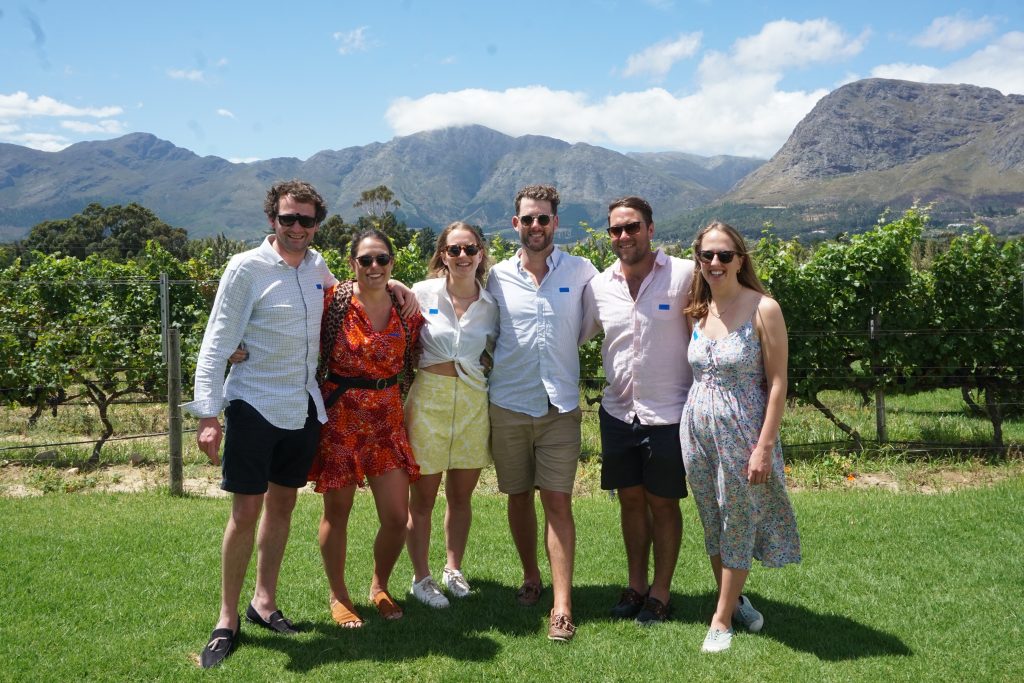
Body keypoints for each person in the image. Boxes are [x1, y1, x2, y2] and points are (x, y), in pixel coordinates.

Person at [185, 180, 334, 669]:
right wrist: (208, 414)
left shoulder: (317, 267)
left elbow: (349, 298)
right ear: (272, 219)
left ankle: (263, 602)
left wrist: (395, 285)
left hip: (302, 406)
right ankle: (227, 619)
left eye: (306, 221)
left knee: (283, 508)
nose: (297, 228)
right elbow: (216, 340)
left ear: (316, 225)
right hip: (252, 405)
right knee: (245, 514)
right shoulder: (245, 268)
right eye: (288, 218)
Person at [679, 220, 801, 653]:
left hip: (742, 432)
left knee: (739, 518)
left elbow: (779, 382)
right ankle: (735, 600)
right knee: (712, 518)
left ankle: (721, 619)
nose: (715, 263)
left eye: (724, 255)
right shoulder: (698, 308)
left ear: (740, 259)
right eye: (707, 255)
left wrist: (764, 447)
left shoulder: (763, 308)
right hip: (696, 432)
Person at [486, 184, 598, 642]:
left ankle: (562, 604)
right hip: (508, 403)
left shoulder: (582, 270)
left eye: (543, 218)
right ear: (516, 224)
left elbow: (589, 326)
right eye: (527, 219)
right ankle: (531, 576)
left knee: (557, 501)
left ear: (556, 222)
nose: (536, 226)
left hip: (560, 407)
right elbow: (484, 331)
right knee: (517, 496)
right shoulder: (493, 276)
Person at [580, 196, 694, 626]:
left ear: (650, 228)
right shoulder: (600, 285)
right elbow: (577, 334)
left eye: (632, 227)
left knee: (663, 503)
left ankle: (661, 593)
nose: (623, 236)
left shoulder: (684, 275)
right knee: (630, 500)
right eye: (615, 230)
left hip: (669, 412)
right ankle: (636, 585)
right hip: (618, 412)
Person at [309, 228, 424, 627]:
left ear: (392, 263)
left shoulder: (406, 308)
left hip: (387, 420)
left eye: (382, 260)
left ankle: (379, 586)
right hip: (341, 418)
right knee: (337, 511)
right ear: (352, 263)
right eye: (366, 260)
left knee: (396, 516)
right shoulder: (333, 302)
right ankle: (339, 596)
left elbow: (429, 350)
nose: (374, 267)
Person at [404, 222, 499, 608]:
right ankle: (421, 578)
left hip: (473, 401)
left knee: (461, 496)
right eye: (454, 250)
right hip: (429, 399)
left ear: (481, 254)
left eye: (470, 249)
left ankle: (452, 568)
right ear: (442, 254)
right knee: (422, 498)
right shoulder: (419, 292)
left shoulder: (491, 305)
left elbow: (497, 349)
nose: (463, 257)